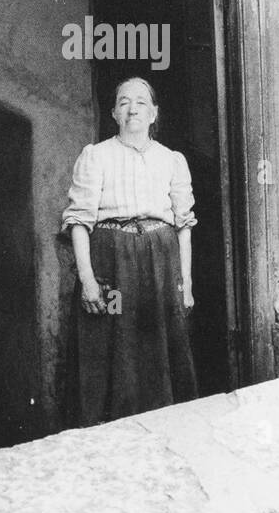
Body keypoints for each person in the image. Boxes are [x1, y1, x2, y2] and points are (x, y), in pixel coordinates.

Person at [59, 76, 199, 426]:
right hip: (112, 260)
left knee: (160, 348)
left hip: (161, 261)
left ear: (154, 113)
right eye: (123, 102)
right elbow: (78, 222)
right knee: (110, 349)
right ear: (114, 113)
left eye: (140, 101)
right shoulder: (96, 156)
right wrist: (88, 280)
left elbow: (183, 226)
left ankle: (166, 431)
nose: (132, 108)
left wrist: (186, 284)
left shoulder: (172, 160)